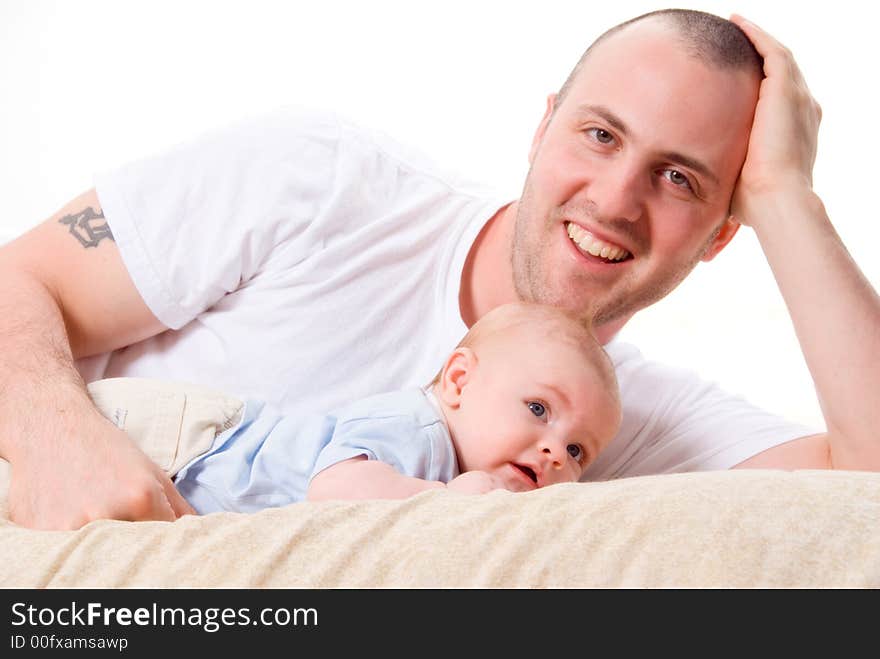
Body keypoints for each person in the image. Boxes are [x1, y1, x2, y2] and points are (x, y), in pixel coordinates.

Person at [1, 9, 878, 530]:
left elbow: (867, 496)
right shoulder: (317, 178)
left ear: (723, 235)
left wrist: (788, 196)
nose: (614, 199)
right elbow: (19, 279)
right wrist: (59, 442)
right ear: (543, 130)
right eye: (600, 134)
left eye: (679, 176)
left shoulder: (620, 429)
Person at [161, 302, 621, 512]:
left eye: (579, 451)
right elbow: (335, 488)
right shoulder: (418, 427)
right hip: (200, 448)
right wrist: (450, 502)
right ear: (460, 380)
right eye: (539, 409)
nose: (557, 453)